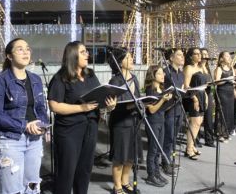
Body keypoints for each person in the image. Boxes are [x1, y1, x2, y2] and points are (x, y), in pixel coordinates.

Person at [48, 41, 116, 194]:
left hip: (90, 127)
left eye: (87, 52)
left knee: (84, 171)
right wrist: (81, 108)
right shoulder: (61, 77)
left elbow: (99, 99)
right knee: (66, 173)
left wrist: (109, 105)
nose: (88, 55)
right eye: (84, 52)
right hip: (69, 132)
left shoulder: (90, 74)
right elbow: (54, 106)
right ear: (73, 55)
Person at [0, 38, 48, 194]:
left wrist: (42, 125)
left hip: (35, 140)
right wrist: (24, 126)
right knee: (12, 190)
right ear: (9, 56)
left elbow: (41, 108)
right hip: (11, 140)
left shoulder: (35, 79)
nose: (26, 52)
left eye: (27, 48)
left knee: (32, 186)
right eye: (20, 49)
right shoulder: (1, 80)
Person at [108, 48, 140, 194]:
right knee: (120, 157)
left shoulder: (134, 78)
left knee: (131, 157)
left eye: (131, 57)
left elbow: (138, 98)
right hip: (121, 123)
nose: (131, 59)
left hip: (134, 122)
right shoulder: (115, 80)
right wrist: (131, 105)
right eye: (128, 58)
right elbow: (114, 106)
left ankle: (125, 181)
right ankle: (117, 186)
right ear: (120, 62)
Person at [144, 65, 171, 187]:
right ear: (153, 75)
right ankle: (150, 175)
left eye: (163, 73)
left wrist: (171, 100)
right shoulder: (150, 90)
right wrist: (163, 100)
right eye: (160, 73)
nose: (163, 75)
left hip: (161, 121)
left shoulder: (162, 89)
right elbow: (152, 110)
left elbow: (163, 109)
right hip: (153, 122)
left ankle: (156, 172)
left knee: (159, 150)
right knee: (153, 150)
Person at [161, 48, 185, 175]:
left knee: (174, 137)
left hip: (179, 109)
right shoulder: (165, 72)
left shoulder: (181, 73)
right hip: (169, 109)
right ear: (171, 58)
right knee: (168, 137)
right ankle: (165, 162)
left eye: (183, 55)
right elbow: (162, 91)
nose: (182, 57)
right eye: (179, 55)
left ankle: (169, 159)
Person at [183, 47, 208, 160]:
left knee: (199, 123)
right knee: (194, 123)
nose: (199, 56)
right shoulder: (188, 68)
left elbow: (206, 82)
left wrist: (206, 96)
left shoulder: (200, 67)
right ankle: (189, 149)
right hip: (193, 96)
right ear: (190, 56)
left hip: (202, 95)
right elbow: (186, 86)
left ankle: (192, 146)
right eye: (196, 54)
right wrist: (195, 99)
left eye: (200, 54)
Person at [214, 51, 236, 141]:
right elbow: (216, 81)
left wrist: (235, 84)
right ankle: (220, 133)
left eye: (229, 56)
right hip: (222, 92)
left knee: (229, 112)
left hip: (230, 92)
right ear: (222, 58)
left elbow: (233, 81)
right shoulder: (219, 69)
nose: (229, 58)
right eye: (227, 56)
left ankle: (226, 132)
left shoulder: (231, 68)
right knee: (221, 112)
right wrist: (226, 80)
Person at [200, 48, 215, 147]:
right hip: (200, 94)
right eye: (203, 54)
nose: (205, 56)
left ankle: (209, 140)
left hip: (209, 94)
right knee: (199, 118)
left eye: (206, 54)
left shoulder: (208, 67)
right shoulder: (197, 67)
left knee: (209, 119)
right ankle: (195, 140)